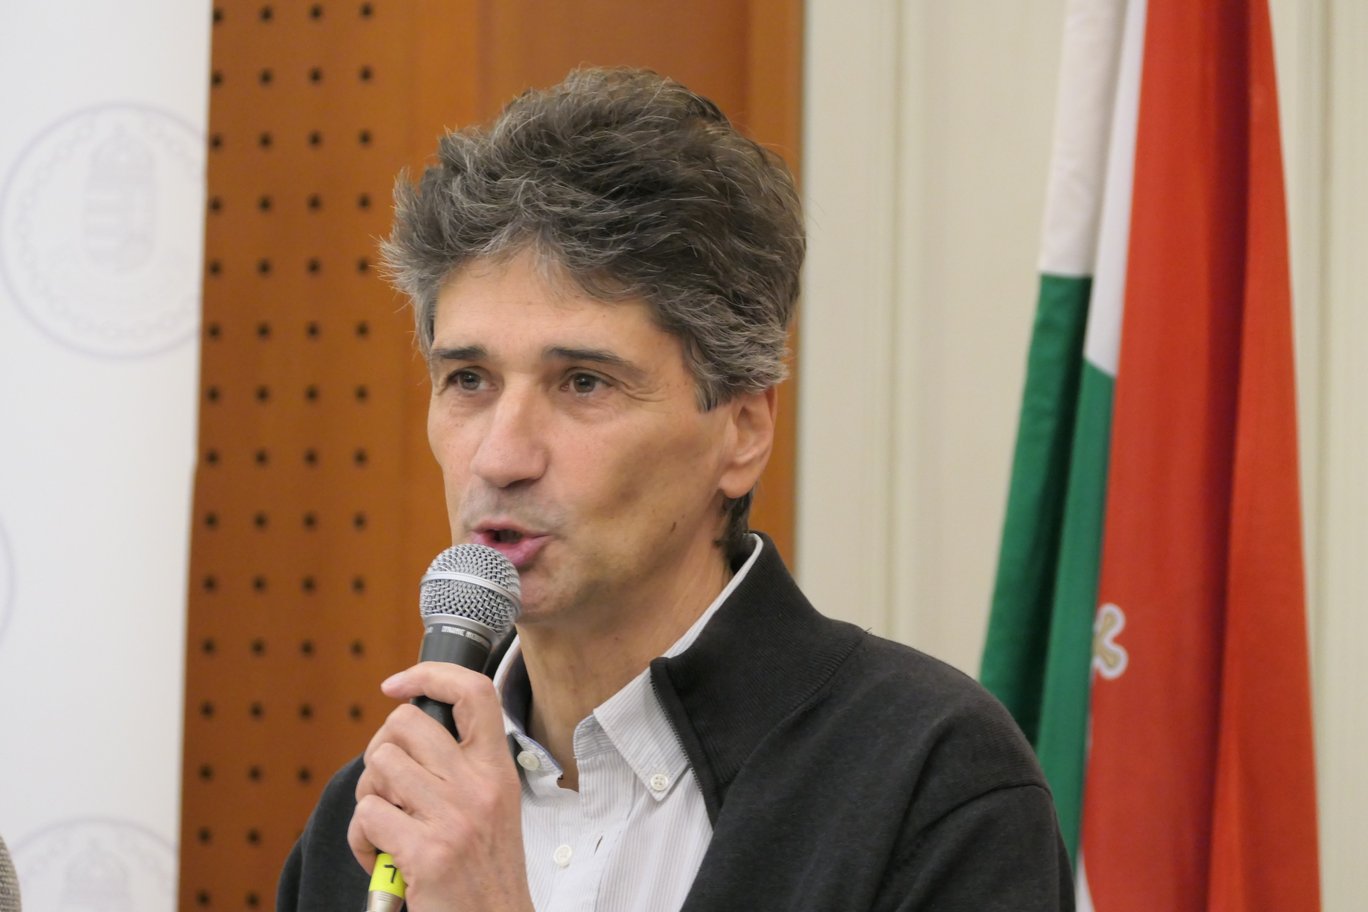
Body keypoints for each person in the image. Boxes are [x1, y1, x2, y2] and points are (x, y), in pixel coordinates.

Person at [277, 67, 1073, 912]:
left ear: (742, 431)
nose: (500, 457)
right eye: (469, 380)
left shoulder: (929, 784)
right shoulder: (378, 815)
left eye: (583, 383)